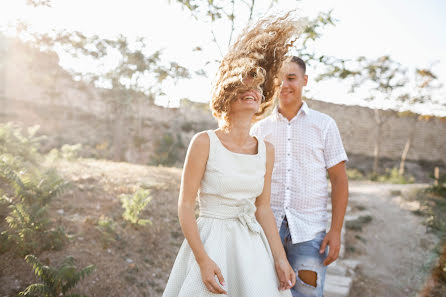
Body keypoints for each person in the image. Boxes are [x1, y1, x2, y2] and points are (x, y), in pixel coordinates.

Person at [162, 15, 304, 297]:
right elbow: (186, 206)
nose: (252, 90)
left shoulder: (267, 150)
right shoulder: (204, 142)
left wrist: (279, 258)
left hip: (252, 246)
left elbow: (263, 209)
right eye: (244, 84)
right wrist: (202, 260)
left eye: (257, 86)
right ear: (227, 93)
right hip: (210, 242)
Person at [250, 56, 349, 297]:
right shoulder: (259, 129)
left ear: (305, 80)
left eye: (291, 78)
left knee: (307, 295)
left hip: (310, 231)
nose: (285, 84)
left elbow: (339, 180)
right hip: (266, 229)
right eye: (279, 79)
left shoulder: (324, 125)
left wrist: (335, 231)